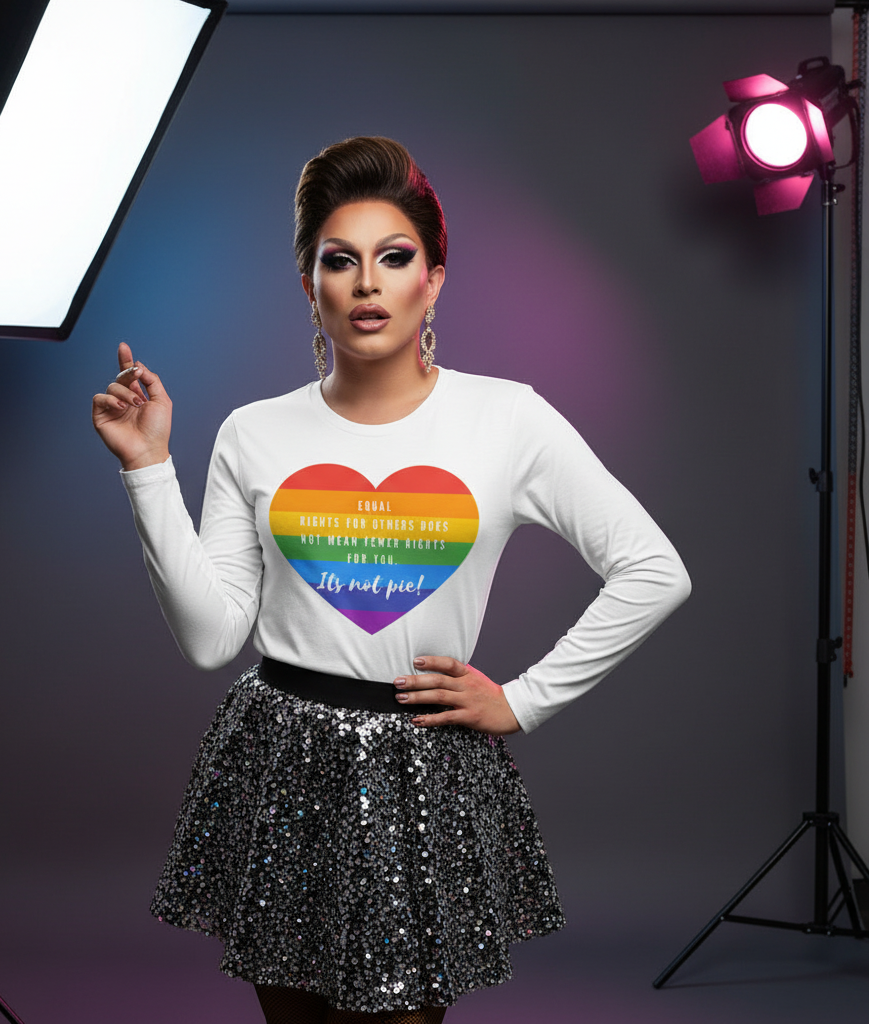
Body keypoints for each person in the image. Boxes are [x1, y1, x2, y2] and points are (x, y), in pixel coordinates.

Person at [92, 137, 691, 1024]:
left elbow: (653, 570)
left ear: (434, 280)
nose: (367, 283)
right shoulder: (253, 432)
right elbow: (213, 637)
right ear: (311, 285)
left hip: (421, 768)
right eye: (341, 261)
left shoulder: (508, 418)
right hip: (283, 762)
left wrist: (523, 701)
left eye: (394, 258)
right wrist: (147, 468)